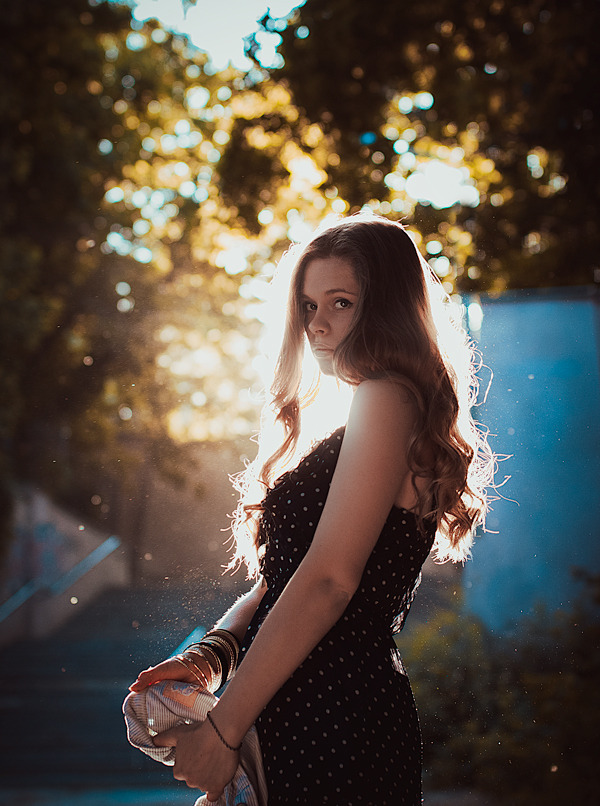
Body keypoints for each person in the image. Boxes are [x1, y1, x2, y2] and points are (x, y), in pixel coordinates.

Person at [129, 213, 495, 804]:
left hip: (333, 721)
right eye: (308, 306)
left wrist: (220, 733)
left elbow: (328, 581)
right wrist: (208, 658)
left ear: (387, 307)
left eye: (340, 302)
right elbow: (282, 582)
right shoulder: (376, 410)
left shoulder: (389, 397)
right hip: (302, 711)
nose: (317, 324)